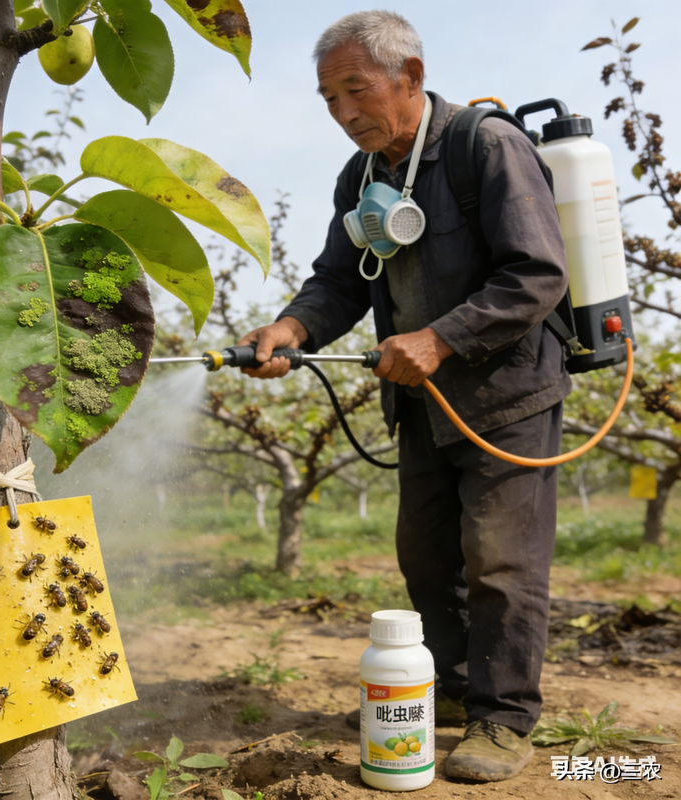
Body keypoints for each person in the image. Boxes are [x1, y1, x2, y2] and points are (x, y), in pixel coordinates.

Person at [238, 10, 571, 783]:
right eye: (328, 99)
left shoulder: (484, 146)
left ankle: (503, 719)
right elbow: (335, 281)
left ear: (410, 77)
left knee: (500, 561)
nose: (344, 112)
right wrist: (292, 329)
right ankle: (452, 693)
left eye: (356, 90)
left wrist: (439, 338)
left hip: (506, 395)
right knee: (425, 557)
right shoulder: (359, 179)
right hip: (420, 403)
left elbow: (537, 273)